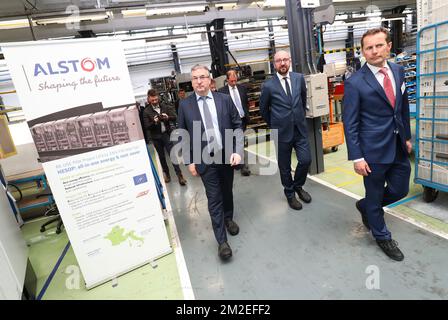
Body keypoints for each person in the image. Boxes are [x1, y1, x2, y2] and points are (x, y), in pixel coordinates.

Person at [343, 27, 412, 262]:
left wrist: (407, 137)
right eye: (369, 48)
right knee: (375, 195)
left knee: (400, 189)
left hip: (398, 144)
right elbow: (350, 122)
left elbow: (402, 108)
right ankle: (382, 236)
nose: (374, 51)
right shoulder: (355, 83)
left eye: (379, 45)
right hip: (372, 151)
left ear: (388, 46)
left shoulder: (398, 71)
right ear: (363, 52)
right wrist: (357, 157)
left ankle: (366, 207)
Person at [177, 64, 243, 261]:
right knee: (214, 198)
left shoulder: (224, 100)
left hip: (225, 156)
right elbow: (183, 135)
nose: (199, 81)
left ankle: (228, 218)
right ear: (192, 82)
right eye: (195, 78)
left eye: (202, 77)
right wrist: (189, 161)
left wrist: (238, 151)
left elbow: (237, 125)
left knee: (227, 191)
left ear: (210, 79)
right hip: (204, 159)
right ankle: (222, 241)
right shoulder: (185, 105)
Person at [259, 50, 312, 211]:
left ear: (289, 61)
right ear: (274, 64)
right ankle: (290, 194)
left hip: (300, 129)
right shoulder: (268, 85)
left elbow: (303, 100)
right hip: (281, 132)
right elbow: (263, 109)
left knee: (305, 160)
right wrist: (275, 124)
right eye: (278, 61)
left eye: (285, 60)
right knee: (285, 166)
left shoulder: (298, 78)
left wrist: (299, 117)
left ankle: (298, 185)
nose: (282, 63)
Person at [142, 89, 187, 186]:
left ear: (158, 98)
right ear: (148, 99)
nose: (155, 102)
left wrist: (168, 117)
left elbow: (175, 117)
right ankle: (167, 174)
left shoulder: (164, 106)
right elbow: (146, 127)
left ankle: (180, 176)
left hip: (166, 134)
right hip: (156, 138)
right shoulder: (146, 111)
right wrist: (154, 122)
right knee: (162, 157)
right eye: (152, 100)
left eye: (156, 99)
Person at [219, 69, 251, 176]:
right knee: (234, 142)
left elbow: (245, 103)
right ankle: (239, 164)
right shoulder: (222, 91)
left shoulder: (242, 89)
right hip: (230, 121)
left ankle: (241, 164)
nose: (234, 82)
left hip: (242, 120)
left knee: (239, 141)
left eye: (235, 80)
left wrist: (247, 115)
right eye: (231, 81)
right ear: (227, 80)